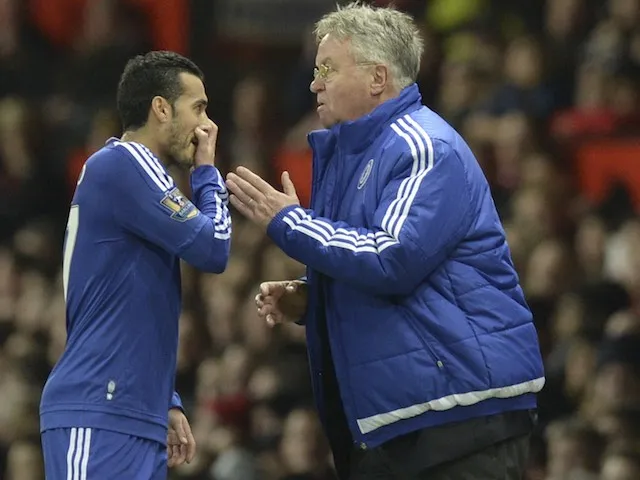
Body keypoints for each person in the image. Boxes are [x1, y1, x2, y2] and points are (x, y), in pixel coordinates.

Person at [225, 3, 544, 479]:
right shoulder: (355, 156)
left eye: (327, 69)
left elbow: (392, 257)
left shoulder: (423, 146)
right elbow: (378, 267)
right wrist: (314, 299)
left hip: (458, 416)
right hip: (401, 423)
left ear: (377, 77)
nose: (314, 84)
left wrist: (289, 222)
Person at [39, 51, 232, 479]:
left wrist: (164, 399)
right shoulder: (126, 163)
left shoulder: (133, 178)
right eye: (198, 108)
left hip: (130, 410)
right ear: (161, 108)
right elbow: (214, 246)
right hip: (97, 407)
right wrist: (206, 171)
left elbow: (134, 297)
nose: (207, 126)